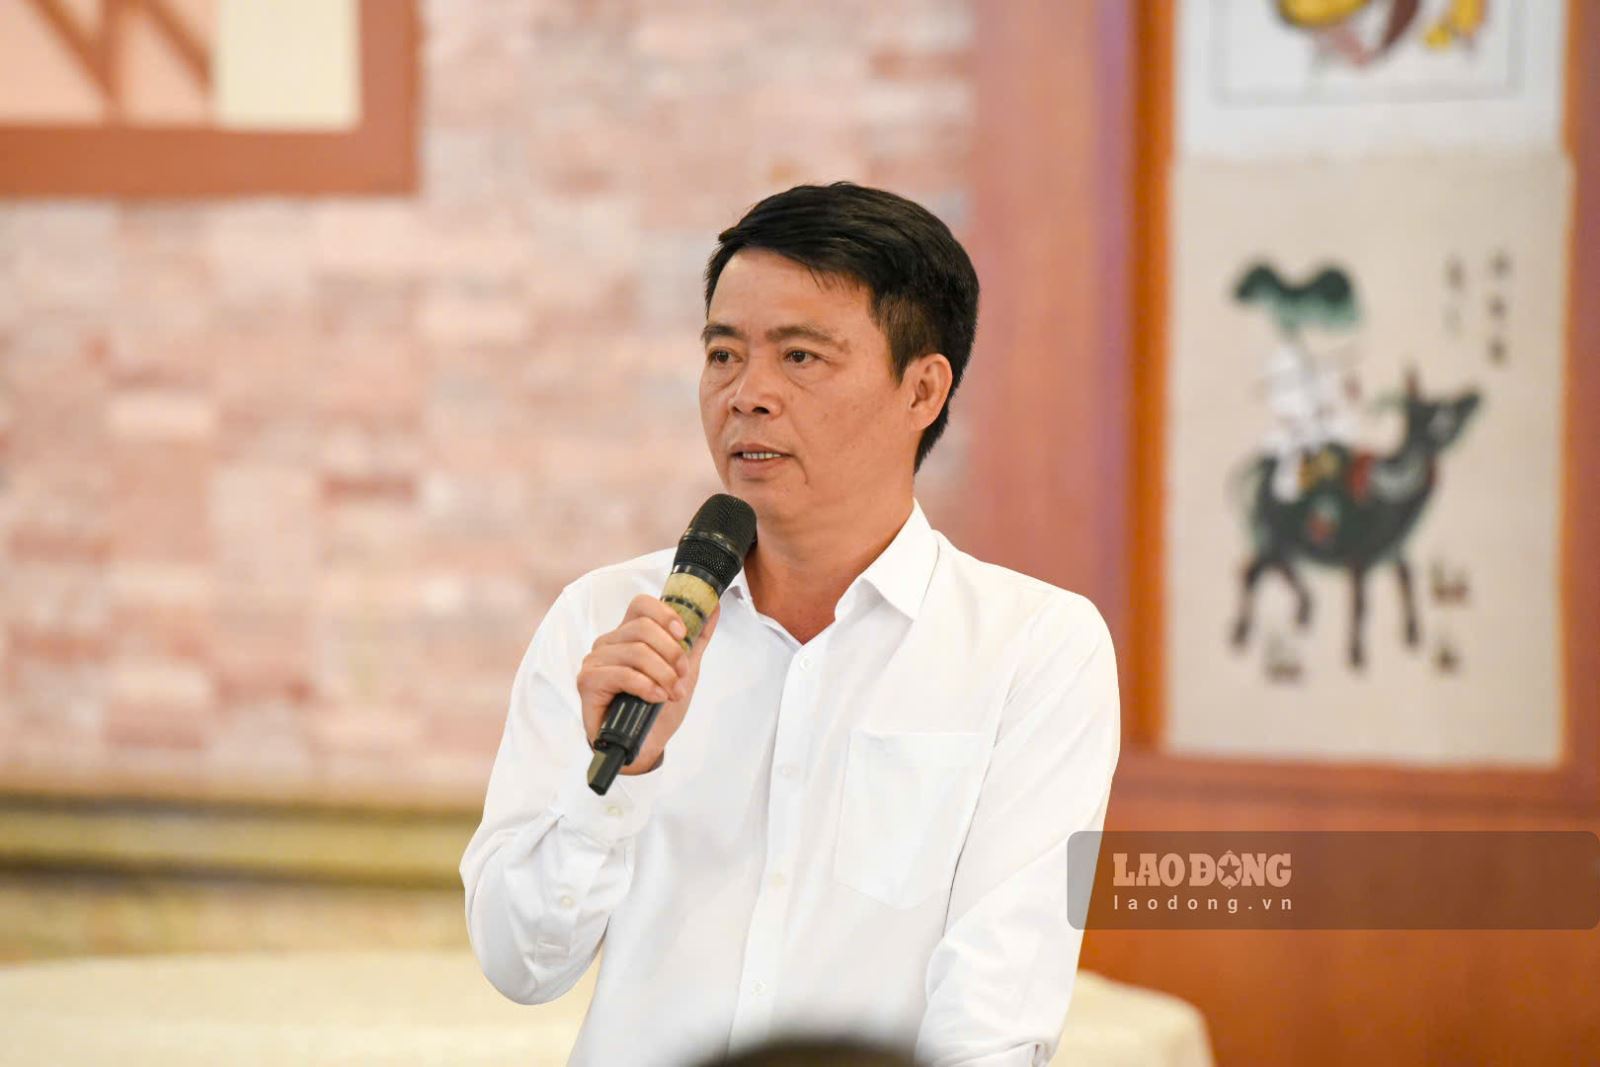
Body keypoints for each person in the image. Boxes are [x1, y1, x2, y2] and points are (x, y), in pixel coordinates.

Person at [460, 182, 1121, 1067]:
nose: (748, 394)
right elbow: (520, 963)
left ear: (923, 389)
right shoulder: (608, 621)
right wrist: (620, 777)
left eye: (801, 356)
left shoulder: (1035, 648)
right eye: (723, 354)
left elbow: (996, 1012)